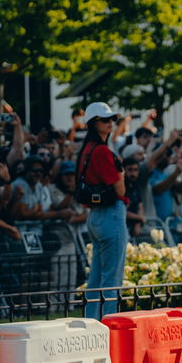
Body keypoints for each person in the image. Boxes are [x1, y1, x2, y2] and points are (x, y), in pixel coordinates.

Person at [76, 101, 127, 319]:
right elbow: (120, 188)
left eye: (112, 119)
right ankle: (108, 327)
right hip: (110, 214)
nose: (110, 123)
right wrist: (122, 174)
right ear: (93, 123)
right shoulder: (102, 151)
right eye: (105, 120)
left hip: (95, 216)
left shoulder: (86, 149)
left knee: (95, 279)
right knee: (111, 280)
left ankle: (91, 325)